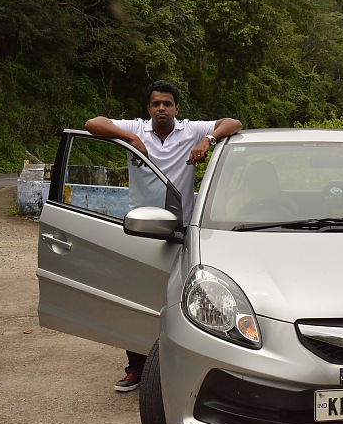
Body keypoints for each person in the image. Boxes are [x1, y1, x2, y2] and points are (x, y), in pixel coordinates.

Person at [85, 80, 242, 392]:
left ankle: (181, 366)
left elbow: (233, 123)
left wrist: (208, 140)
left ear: (177, 108)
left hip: (179, 230)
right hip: (140, 229)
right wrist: (129, 138)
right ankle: (137, 368)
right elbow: (92, 124)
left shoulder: (191, 131)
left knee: (181, 298)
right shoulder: (136, 129)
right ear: (148, 108)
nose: (161, 109)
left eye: (167, 104)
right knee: (136, 297)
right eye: (155, 104)